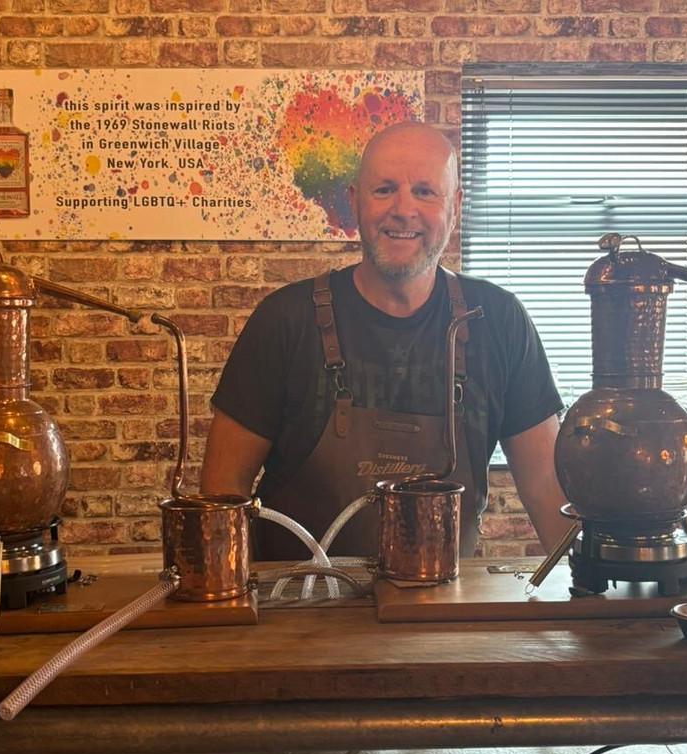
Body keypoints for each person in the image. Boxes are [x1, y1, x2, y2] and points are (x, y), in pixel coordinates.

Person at [201, 121, 573, 560]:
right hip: (297, 598)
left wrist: (587, 595)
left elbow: (547, 488)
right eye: (384, 190)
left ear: (455, 206)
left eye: (425, 191)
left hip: (445, 597)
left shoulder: (499, 320)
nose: (403, 209)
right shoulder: (284, 321)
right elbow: (221, 493)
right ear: (355, 201)